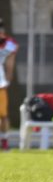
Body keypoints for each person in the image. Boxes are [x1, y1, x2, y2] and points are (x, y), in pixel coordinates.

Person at [0, 18, 18, 151]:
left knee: (3, 115)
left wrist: (8, 80)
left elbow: (10, 65)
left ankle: (4, 141)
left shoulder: (9, 44)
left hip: (0, 84)